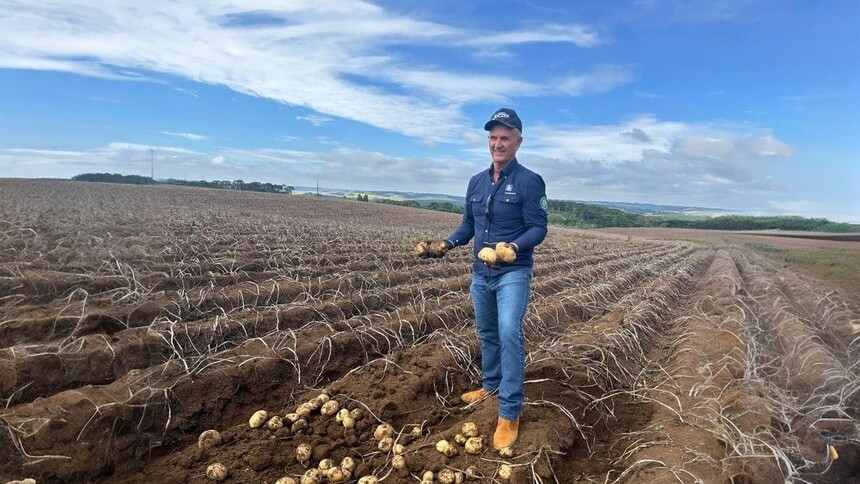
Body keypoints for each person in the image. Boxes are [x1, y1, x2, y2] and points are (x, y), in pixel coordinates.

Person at [419, 107, 548, 449]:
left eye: (505, 137)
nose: (497, 143)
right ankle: (490, 387)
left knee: (508, 331)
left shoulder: (529, 181)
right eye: (493, 137)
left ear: (518, 141)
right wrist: (447, 243)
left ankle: (510, 411)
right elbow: (468, 225)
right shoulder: (476, 181)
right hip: (481, 273)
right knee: (488, 332)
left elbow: (538, 227)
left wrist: (513, 247)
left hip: (512, 273)